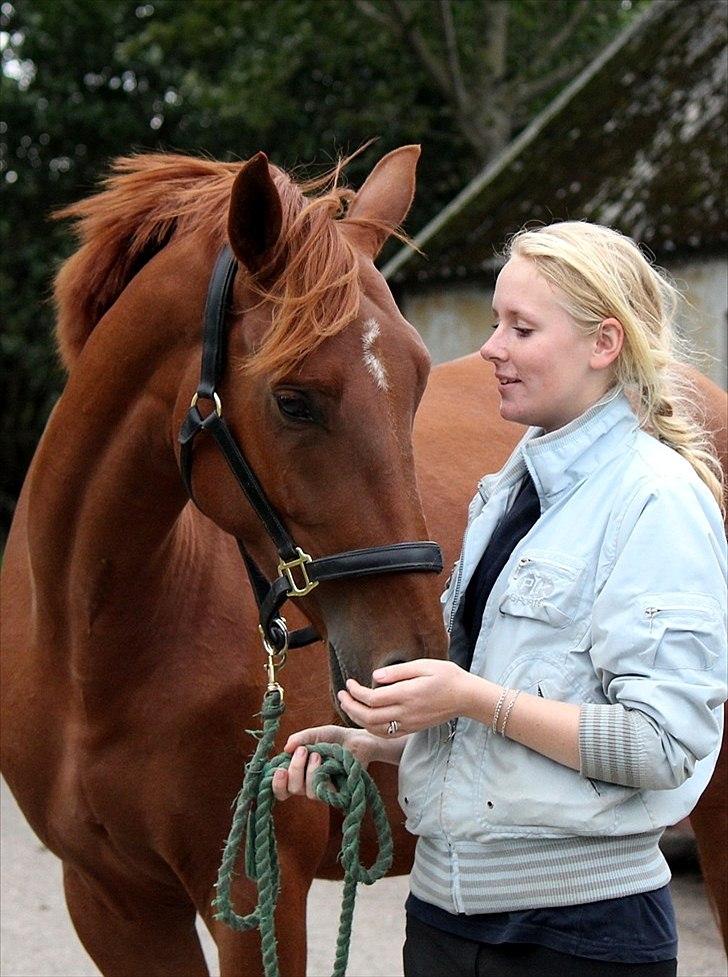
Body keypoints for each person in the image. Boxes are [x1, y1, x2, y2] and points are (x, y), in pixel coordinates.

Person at [271, 221, 727, 977]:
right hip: (448, 919)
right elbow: (512, 714)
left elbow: (662, 744)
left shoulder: (659, 501)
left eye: (521, 327)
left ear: (604, 343)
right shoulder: (505, 494)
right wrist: (378, 747)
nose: (490, 349)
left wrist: (474, 698)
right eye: (494, 324)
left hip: (578, 938)